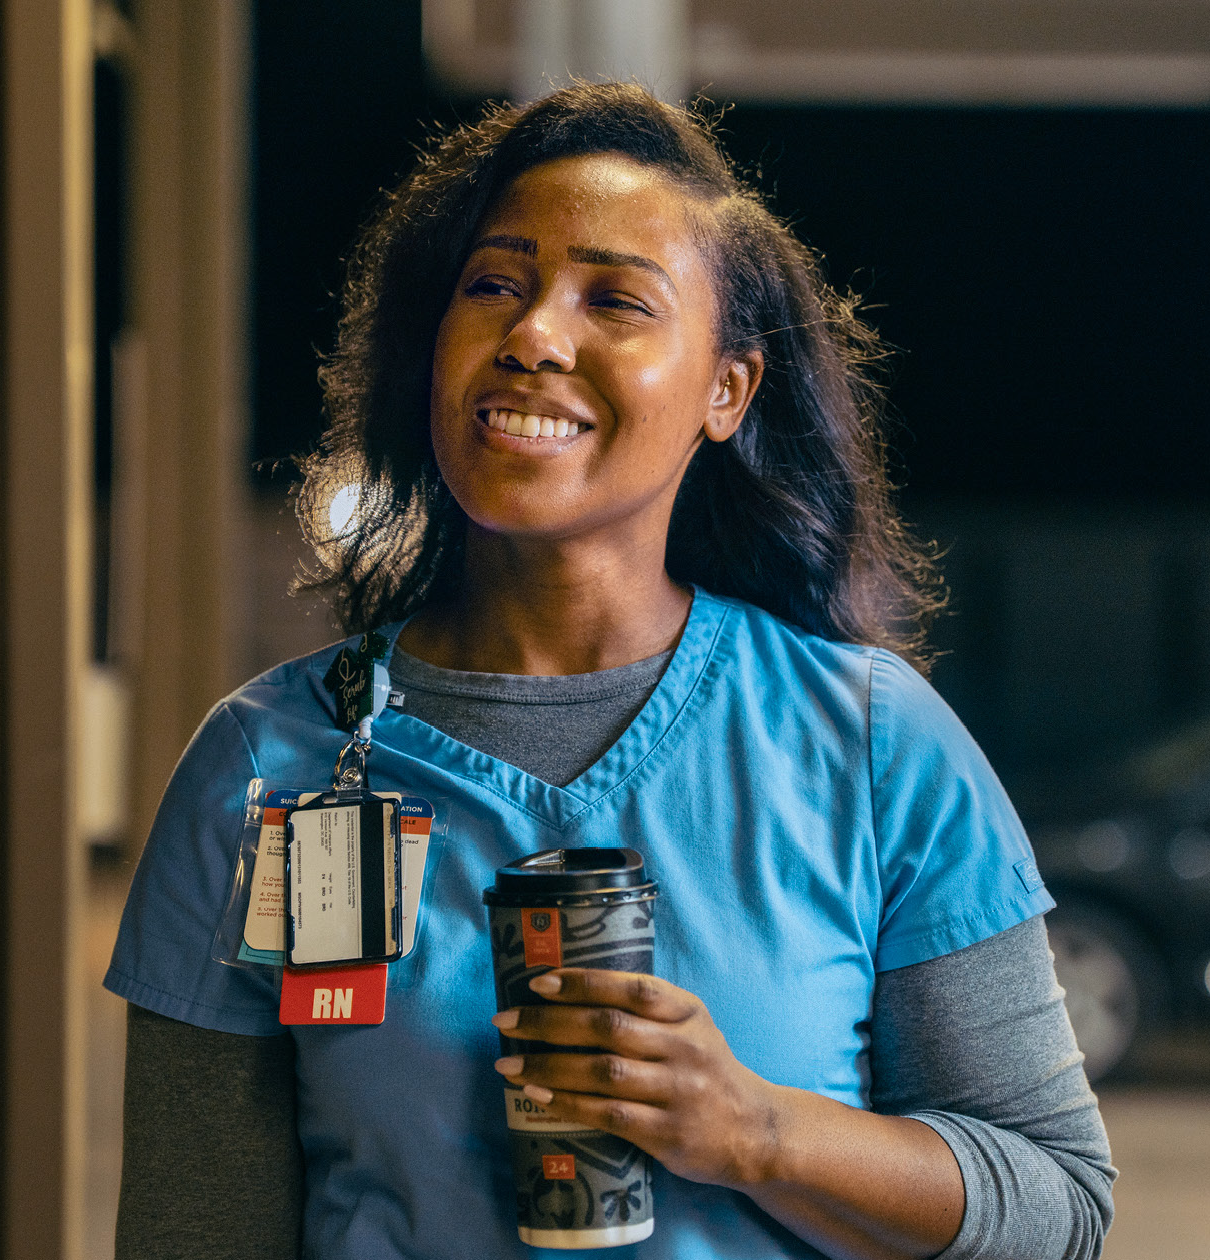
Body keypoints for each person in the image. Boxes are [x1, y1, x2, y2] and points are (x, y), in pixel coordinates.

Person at [106, 83, 1114, 1260]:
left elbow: (1058, 1210)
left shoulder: (872, 744)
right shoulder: (268, 767)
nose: (534, 333)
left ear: (726, 392)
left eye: (616, 300)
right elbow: (195, 1235)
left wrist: (758, 1133)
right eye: (493, 284)